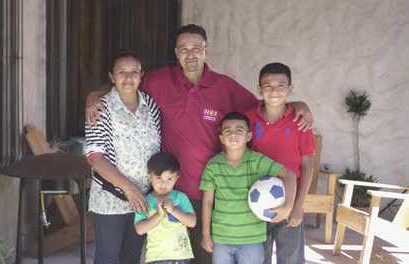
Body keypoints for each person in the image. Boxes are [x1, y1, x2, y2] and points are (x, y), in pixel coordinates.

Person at [86, 24, 312, 263]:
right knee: (169, 254)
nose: (190, 54)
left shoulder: (225, 86)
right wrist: (94, 96)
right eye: (184, 48)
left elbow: (266, 102)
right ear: (176, 52)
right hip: (170, 191)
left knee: (205, 255)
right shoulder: (159, 80)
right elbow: (125, 83)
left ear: (206, 50)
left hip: (210, 192)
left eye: (196, 48)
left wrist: (297, 105)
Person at [85, 50, 161, 264]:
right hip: (111, 199)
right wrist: (129, 189)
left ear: (141, 75)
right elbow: (95, 158)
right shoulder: (100, 107)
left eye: (134, 72)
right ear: (111, 76)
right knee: (107, 258)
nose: (128, 78)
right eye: (121, 72)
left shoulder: (151, 107)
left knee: (132, 257)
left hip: (142, 200)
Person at [199, 112, 297, 264]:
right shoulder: (213, 165)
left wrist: (288, 206)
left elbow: (289, 175)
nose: (233, 135)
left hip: (252, 239)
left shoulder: (257, 161)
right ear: (221, 139)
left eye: (239, 130)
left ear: (249, 136)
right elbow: (207, 202)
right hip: (222, 237)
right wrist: (206, 234)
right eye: (227, 131)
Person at [245, 62, 315, 264]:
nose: (274, 91)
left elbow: (308, 163)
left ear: (290, 89)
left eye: (281, 86)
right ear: (259, 89)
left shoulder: (300, 120)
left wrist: (297, 206)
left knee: (291, 259)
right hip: (257, 205)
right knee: (259, 258)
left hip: (291, 203)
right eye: (267, 86)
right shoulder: (249, 118)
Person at [134, 152, 197, 264]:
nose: (163, 184)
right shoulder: (144, 201)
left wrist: (173, 210)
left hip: (181, 257)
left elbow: (192, 222)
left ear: (176, 178)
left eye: (169, 179)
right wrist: (158, 215)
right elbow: (140, 229)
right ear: (150, 177)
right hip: (156, 258)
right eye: (158, 178)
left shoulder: (180, 197)